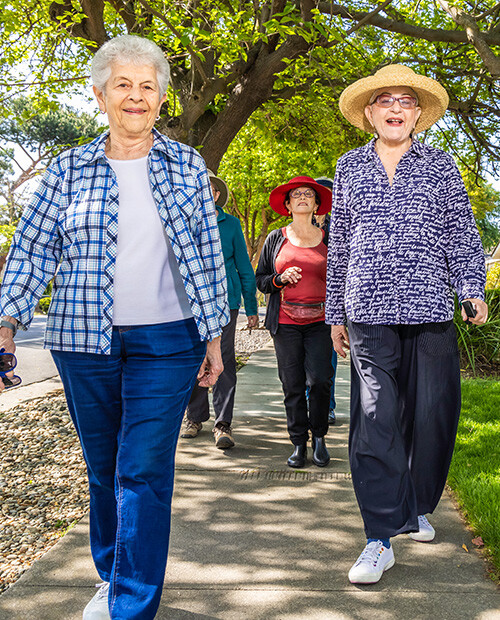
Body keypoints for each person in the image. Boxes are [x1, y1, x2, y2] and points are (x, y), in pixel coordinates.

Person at [0, 35, 229, 620]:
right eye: (123, 85)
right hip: (83, 341)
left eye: (147, 86)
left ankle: (131, 605)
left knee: (143, 468)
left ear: (161, 98)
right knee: (104, 470)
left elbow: (206, 253)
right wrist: (7, 320)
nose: (136, 96)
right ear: (100, 94)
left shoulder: (186, 165)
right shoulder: (67, 170)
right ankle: (113, 575)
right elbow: (30, 251)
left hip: (168, 341)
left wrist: (213, 337)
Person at [326, 64, 488, 585]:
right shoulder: (348, 167)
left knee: (432, 416)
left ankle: (415, 504)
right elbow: (342, 243)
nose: (395, 108)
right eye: (385, 101)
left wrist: (471, 287)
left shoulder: (441, 165)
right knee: (375, 416)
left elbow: (462, 230)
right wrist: (335, 312)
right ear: (370, 113)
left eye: (405, 101)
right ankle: (378, 535)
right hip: (368, 310)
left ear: (418, 114)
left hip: (430, 307)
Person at [256, 176, 333, 469]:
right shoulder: (276, 238)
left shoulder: (330, 239)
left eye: (308, 194)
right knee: (292, 384)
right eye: (296, 194)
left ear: (316, 205)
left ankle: (320, 439)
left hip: (321, 322)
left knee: (320, 381)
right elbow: (261, 279)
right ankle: (298, 443)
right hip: (285, 323)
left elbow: (342, 279)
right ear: (288, 205)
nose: (302, 197)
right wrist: (279, 279)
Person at [181, 170, 258, 449]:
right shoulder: (184, 222)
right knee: (193, 359)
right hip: (189, 303)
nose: (205, 193)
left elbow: (244, 267)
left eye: (210, 190)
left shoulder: (231, 224)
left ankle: (223, 423)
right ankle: (195, 416)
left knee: (223, 360)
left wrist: (252, 308)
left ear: (215, 196)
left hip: (225, 303)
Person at [313, 177, 338, 425]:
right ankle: (310, 405)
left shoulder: (339, 226)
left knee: (328, 359)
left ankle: (327, 406)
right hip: (304, 301)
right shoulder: (300, 225)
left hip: (330, 301)